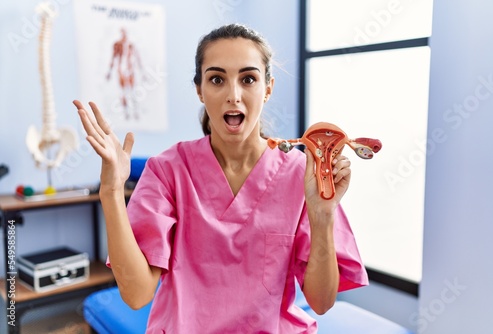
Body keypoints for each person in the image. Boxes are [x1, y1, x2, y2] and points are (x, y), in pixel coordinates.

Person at [74, 23, 368, 333]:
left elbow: (321, 301)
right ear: (200, 89)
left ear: (268, 88)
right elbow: (136, 295)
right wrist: (111, 191)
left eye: (248, 79)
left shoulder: (299, 174)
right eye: (217, 79)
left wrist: (322, 215)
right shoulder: (168, 171)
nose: (234, 95)